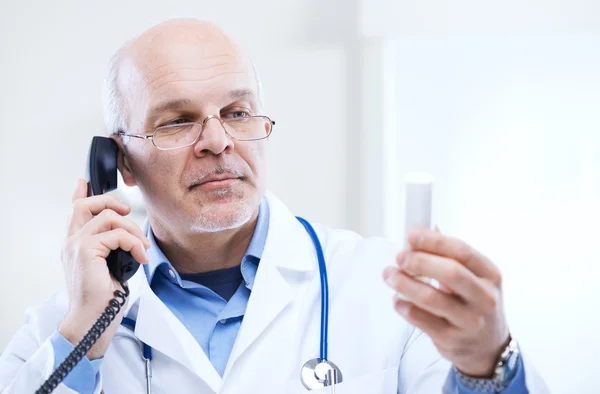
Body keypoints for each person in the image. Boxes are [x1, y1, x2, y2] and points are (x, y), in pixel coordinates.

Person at [0, 18, 549, 394]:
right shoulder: (65, 327)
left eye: (237, 111)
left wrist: (488, 362)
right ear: (118, 163)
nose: (218, 141)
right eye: (177, 120)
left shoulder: (385, 294)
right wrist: (85, 339)